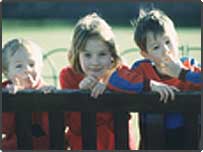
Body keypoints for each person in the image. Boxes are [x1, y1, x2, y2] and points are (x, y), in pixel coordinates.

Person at [59, 12, 178, 150]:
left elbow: (118, 122)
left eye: (102, 54)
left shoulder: (120, 74)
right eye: (87, 55)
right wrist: (81, 93)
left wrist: (111, 86)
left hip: (117, 145)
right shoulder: (69, 76)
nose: (95, 62)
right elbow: (74, 125)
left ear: (112, 54)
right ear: (76, 53)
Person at [108, 9, 201, 149]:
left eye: (168, 42)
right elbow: (114, 79)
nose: (165, 50)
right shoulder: (143, 70)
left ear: (176, 39)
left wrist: (182, 73)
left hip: (187, 142)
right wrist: (150, 85)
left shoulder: (190, 66)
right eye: (156, 47)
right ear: (146, 54)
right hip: (152, 142)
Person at [2, 38, 55, 150]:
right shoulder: (5, 92)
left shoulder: (46, 91)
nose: (27, 70)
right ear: (7, 73)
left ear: (40, 67)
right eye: (19, 66)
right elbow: (4, 128)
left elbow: (52, 129)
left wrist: (50, 100)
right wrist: (11, 100)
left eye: (32, 64)